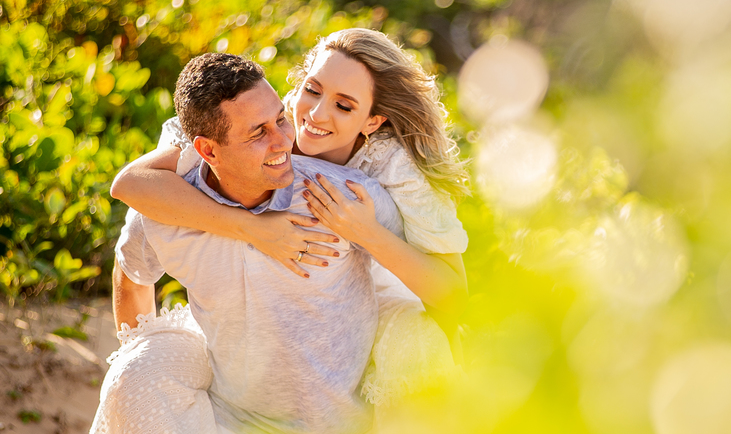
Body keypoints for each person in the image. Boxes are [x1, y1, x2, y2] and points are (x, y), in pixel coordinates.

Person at [90, 52, 407, 434]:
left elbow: (423, 291)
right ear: (206, 150)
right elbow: (131, 274)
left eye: (279, 118)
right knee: (133, 374)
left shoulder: (342, 198)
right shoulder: (166, 210)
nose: (284, 139)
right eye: (257, 132)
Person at [110, 28, 470, 403]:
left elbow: (452, 295)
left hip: (385, 282)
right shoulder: (264, 121)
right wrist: (252, 228)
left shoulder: (397, 169)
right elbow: (130, 183)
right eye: (312, 90)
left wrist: (366, 231)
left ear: (372, 121)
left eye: (344, 106)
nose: (315, 114)